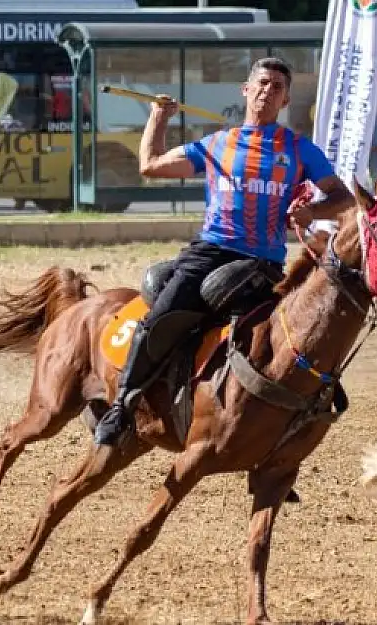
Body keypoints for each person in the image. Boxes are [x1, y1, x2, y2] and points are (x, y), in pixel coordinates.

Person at [93, 57, 354, 448]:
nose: (268, 90)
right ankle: (123, 407)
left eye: (278, 87)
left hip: (260, 264)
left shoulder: (299, 149)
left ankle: (284, 438)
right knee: (158, 319)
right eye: (262, 83)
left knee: (282, 339)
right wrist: (157, 118)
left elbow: (343, 197)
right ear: (246, 90)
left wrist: (313, 211)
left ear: (284, 101)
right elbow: (150, 166)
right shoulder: (217, 144)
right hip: (209, 250)